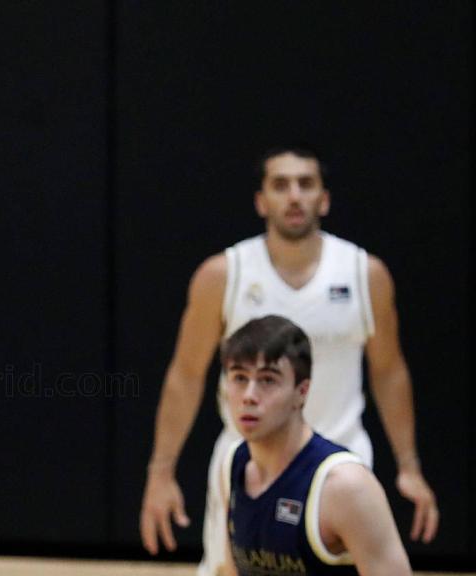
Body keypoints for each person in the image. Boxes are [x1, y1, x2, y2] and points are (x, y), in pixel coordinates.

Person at [138, 147, 438, 574]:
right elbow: (185, 375)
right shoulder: (222, 275)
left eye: (306, 184)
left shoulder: (363, 274)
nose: (294, 196)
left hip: (336, 469)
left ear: (325, 199)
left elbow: (389, 371)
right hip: (248, 463)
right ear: (261, 201)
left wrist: (409, 466)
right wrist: (161, 471)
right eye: (280, 185)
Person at [217, 315, 411, 575]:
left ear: (302, 391)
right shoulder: (233, 463)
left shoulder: (346, 486)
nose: (249, 396)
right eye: (240, 378)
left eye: (267, 380)